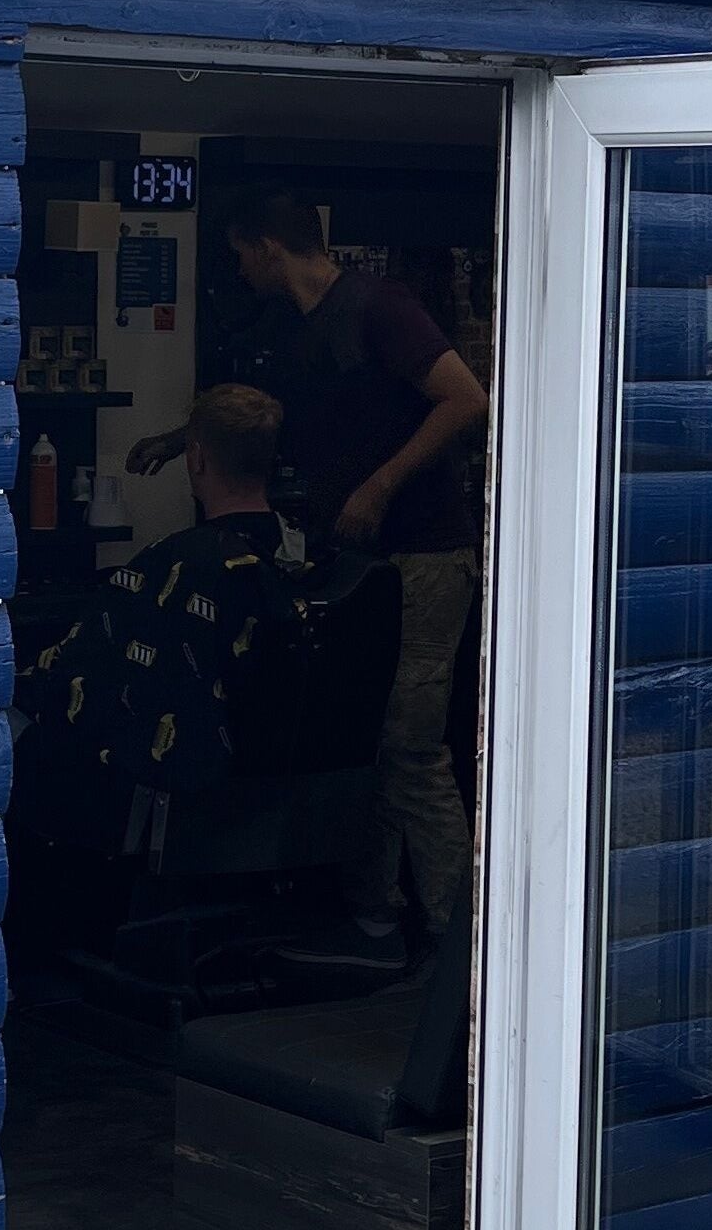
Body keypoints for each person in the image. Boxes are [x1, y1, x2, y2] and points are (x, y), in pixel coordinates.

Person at [126, 191, 490, 973]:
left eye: (240, 253)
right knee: (368, 741)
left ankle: (464, 950)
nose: (237, 268)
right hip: (362, 561)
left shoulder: (381, 308)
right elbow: (275, 412)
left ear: (266, 247)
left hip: (424, 555)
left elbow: (466, 399)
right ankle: (373, 920)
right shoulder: (299, 330)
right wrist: (176, 440)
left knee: (411, 750)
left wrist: (380, 486)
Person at [16, 385, 307, 801]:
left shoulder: (176, 567)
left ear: (197, 458)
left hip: (170, 789)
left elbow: (73, 677)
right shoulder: (300, 558)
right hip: (267, 784)